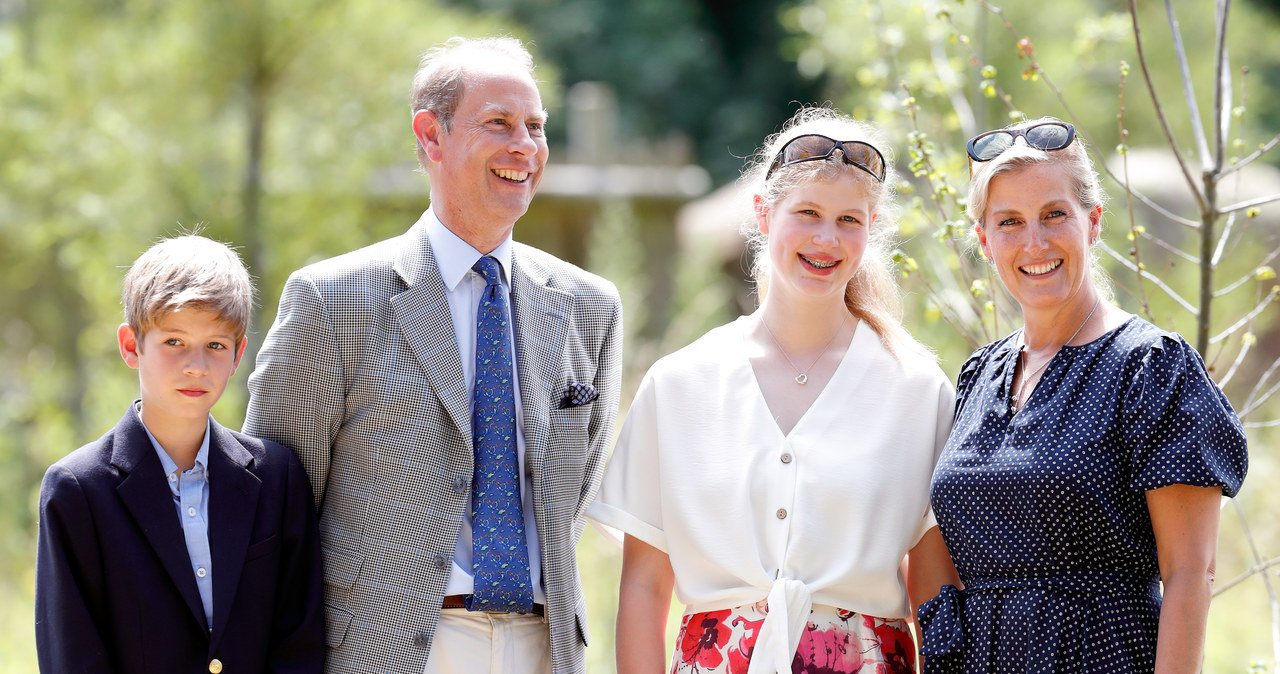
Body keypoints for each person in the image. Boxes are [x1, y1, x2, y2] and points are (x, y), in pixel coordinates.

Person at [243, 36, 623, 674]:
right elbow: (273, 508)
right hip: (382, 653)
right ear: (430, 135)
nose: (523, 146)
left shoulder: (592, 306)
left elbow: (576, 492)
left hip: (543, 649)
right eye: (497, 123)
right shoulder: (332, 300)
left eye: (535, 126)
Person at [587, 107, 959, 674]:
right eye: (807, 212)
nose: (826, 238)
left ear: (872, 227)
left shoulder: (916, 388)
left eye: (849, 220)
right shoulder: (680, 383)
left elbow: (935, 590)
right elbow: (642, 587)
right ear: (763, 214)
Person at [918, 117, 1249, 673]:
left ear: (1092, 222)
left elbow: (1191, 575)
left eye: (1054, 215)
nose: (1034, 242)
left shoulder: (1151, 367)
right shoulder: (979, 374)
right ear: (984, 240)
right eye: (1009, 223)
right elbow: (938, 555)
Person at [35, 234, 325, 673]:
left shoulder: (277, 477)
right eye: (174, 342)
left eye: (215, 345)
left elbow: (298, 644)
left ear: (238, 354)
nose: (196, 365)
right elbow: (73, 655)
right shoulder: (78, 490)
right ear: (132, 346)